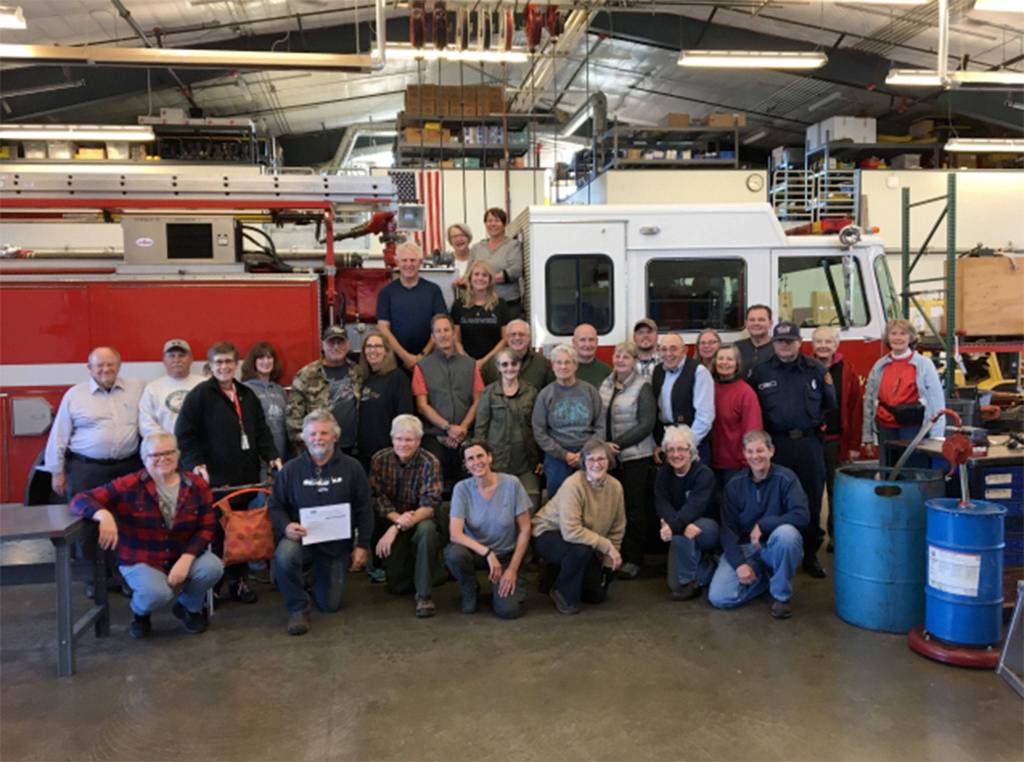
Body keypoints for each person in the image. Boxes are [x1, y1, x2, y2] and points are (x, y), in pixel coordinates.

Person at [70, 432, 224, 638]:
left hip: (182, 552)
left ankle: (189, 608)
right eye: (155, 455)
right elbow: (80, 499)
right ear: (144, 459)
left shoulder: (197, 485)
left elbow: (206, 527)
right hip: (140, 557)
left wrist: (186, 559)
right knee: (157, 594)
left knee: (213, 567)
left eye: (169, 452)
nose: (163, 458)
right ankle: (140, 614)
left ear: (178, 455)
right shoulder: (128, 484)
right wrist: (103, 514)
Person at [175, 341, 282, 604]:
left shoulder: (246, 394)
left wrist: (272, 456)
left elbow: (261, 430)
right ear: (210, 366)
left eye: (228, 362)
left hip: (244, 477)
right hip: (214, 481)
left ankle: (239, 582)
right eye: (218, 362)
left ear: (236, 364)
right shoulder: (199, 396)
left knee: (241, 532)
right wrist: (195, 462)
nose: (224, 367)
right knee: (216, 533)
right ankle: (212, 584)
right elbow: (184, 434)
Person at [43, 346, 144, 596]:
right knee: (88, 524)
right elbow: (59, 435)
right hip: (87, 469)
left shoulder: (137, 389)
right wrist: (57, 471)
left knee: (129, 521)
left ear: (119, 366)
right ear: (89, 368)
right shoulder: (75, 395)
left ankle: (124, 575)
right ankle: (93, 580)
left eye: (110, 364)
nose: (105, 369)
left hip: (127, 466)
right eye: (99, 365)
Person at [269, 411, 373, 636]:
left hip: (336, 547)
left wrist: (362, 545)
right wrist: (286, 526)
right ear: (304, 438)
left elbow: (365, 509)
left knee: (330, 606)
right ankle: (297, 608)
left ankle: (310, 578)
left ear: (335, 436)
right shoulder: (291, 470)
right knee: (284, 555)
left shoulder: (353, 468)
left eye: (324, 433)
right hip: (301, 540)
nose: (318, 438)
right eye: (313, 434)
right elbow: (275, 506)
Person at [749, 321, 835, 580]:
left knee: (811, 498)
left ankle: (810, 555)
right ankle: (776, 552)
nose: (785, 346)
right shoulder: (760, 373)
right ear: (773, 343)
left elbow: (830, 405)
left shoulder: (816, 370)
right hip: (776, 445)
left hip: (809, 444)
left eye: (790, 341)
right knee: (774, 499)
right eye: (780, 341)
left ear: (799, 342)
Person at [708, 430, 809, 619]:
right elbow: (728, 530)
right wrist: (740, 564)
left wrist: (764, 525)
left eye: (760, 450)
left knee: (787, 535)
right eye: (750, 451)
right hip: (745, 548)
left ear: (771, 451)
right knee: (719, 597)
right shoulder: (734, 485)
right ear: (744, 454)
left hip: (774, 546)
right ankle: (764, 578)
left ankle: (781, 597)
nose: (755, 456)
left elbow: (802, 516)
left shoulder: (786, 478)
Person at [532, 439, 625, 615]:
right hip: (549, 532)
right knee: (579, 550)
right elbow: (571, 531)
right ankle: (561, 591)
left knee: (596, 595)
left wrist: (608, 561)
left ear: (609, 461)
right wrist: (606, 546)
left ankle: (554, 573)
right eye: (591, 459)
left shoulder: (616, 487)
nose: (596, 464)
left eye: (601, 459)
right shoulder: (573, 484)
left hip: (585, 541)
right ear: (583, 462)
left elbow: (617, 528)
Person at [444, 441, 532, 618]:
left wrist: (512, 569)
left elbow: (525, 529)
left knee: (509, 611)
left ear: (490, 457)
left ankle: (501, 591)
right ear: (466, 465)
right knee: (454, 554)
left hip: (506, 554)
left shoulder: (512, 484)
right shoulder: (462, 489)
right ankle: (470, 588)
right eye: (470, 459)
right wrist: (488, 553)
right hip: (477, 553)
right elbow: (455, 534)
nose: (476, 462)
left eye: (480, 456)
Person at [370, 415, 444, 618]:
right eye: (399, 439)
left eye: (409, 439)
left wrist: (396, 528)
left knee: (427, 530)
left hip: (420, 519)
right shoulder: (379, 459)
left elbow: (430, 505)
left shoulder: (430, 461)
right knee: (397, 586)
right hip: (393, 517)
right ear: (392, 438)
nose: (403, 444)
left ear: (418, 441)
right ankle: (428, 571)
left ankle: (424, 596)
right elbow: (376, 498)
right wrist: (397, 520)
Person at [598, 341, 656, 580]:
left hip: (635, 457)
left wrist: (616, 445)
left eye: (627, 357)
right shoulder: (606, 383)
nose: (621, 360)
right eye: (618, 355)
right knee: (614, 508)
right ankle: (615, 555)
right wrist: (603, 446)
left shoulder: (643, 386)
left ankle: (634, 559)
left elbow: (646, 424)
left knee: (634, 508)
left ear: (635, 361)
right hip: (610, 458)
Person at [412, 314, 484, 493]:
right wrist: (447, 428)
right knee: (434, 489)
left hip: (465, 436)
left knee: (471, 489)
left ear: (454, 333)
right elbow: (422, 406)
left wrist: (462, 428)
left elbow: (478, 400)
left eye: (446, 330)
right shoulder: (421, 367)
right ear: (433, 337)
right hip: (435, 438)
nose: (443, 335)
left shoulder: (471, 365)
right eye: (438, 331)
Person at [862, 318, 946, 463]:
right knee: (889, 471)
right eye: (893, 333)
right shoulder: (880, 366)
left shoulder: (924, 364)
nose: (898, 338)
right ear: (887, 337)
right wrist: (867, 436)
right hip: (886, 430)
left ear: (911, 337)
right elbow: (869, 402)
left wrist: (936, 436)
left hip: (913, 430)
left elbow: (937, 402)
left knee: (913, 470)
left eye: (903, 333)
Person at [811, 327, 864, 552]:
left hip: (835, 441)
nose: (823, 346)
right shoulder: (805, 367)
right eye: (819, 341)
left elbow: (855, 408)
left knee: (837, 492)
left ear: (836, 344)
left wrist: (853, 444)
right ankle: (812, 539)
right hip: (810, 441)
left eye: (828, 341)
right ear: (812, 344)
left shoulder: (847, 370)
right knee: (811, 492)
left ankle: (836, 536)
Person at [654, 425, 718, 601]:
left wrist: (672, 526)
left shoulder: (703, 474)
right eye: (671, 450)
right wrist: (673, 524)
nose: (676, 454)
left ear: (691, 451)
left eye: (681, 449)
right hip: (681, 529)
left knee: (685, 530)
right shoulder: (664, 474)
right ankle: (707, 567)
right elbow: (662, 503)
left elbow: (694, 508)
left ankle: (690, 583)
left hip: (707, 527)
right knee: (674, 585)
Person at [475, 347, 542, 511]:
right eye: (504, 365)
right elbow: (480, 429)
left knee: (530, 506)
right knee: (499, 508)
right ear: (498, 367)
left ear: (519, 365)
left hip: (526, 462)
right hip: (497, 462)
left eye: (513, 364)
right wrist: (481, 459)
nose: (509, 368)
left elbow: (538, 427)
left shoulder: (531, 392)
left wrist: (540, 458)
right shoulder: (488, 393)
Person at [531, 344, 602, 498]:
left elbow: (600, 426)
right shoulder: (545, 394)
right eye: (558, 362)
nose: (563, 367)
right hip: (557, 456)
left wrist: (584, 453)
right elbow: (539, 431)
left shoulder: (590, 391)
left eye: (568, 362)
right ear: (552, 366)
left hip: (588, 454)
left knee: (591, 499)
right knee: (559, 501)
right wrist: (564, 455)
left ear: (576, 365)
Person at [287, 326, 360, 456]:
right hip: (318, 448)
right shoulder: (307, 374)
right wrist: (306, 444)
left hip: (352, 448)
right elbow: (293, 416)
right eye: (331, 342)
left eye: (340, 342)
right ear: (323, 345)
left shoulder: (358, 371)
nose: (336, 347)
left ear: (348, 345)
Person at [377, 242, 448, 371]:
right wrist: (405, 357)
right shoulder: (386, 292)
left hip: (430, 360)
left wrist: (423, 355)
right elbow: (383, 328)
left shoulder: (433, 290)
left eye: (413, 260)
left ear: (420, 262)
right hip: (395, 362)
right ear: (397, 262)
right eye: (404, 260)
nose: (408, 264)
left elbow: (441, 326)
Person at [355, 330, 414, 471]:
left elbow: (405, 417)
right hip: (363, 452)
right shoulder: (363, 377)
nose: (372, 350)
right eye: (369, 346)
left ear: (387, 351)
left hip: (388, 453)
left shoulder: (398, 378)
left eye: (378, 346)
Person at [652, 333, 715, 463]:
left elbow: (705, 417)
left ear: (684, 350)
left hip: (694, 445)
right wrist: (662, 444)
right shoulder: (658, 371)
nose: (668, 354)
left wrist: (686, 446)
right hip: (667, 443)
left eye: (673, 348)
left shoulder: (699, 372)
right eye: (663, 349)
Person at [710, 344, 763, 488]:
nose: (724, 362)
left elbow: (753, 432)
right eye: (721, 358)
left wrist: (748, 463)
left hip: (735, 466)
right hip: (709, 462)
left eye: (729, 359)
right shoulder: (708, 387)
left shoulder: (745, 393)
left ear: (737, 364)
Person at [139, 339, 204, 438]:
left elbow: (213, 418)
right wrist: (166, 442)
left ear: (191, 359)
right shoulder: (152, 388)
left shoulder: (204, 385)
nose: (177, 360)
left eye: (181, 355)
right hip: (165, 446)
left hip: (198, 445)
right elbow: (146, 424)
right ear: (164, 360)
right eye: (171, 356)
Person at [466, 207, 524, 318]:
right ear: (485, 224)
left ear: (504, 224)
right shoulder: (476, 248)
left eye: (497, 221)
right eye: (489, 221)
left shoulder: (513, 245)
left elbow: (515, 271)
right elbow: (468, 273)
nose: (493, 224)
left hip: (508, 304)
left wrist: (485, 279)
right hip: (481, 304)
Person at [451, 260, 509, 365]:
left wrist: (484, 361)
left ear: (490, 279)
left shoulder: (500, 304)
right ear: (470, 278)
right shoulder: (459, 304)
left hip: (494, 362)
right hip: (465, 363)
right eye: (476, 274)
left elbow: (505, 339)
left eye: (484, 275)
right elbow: (456, 339)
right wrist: (468, 361)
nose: (480, 278)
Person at [241, 341, 290, 463]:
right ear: (253, 362)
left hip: (282, 456)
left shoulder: (280, 391)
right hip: (258, 459)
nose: (266, 361)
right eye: (261, 358)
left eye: (269, 357)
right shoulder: (245, 390)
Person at [480, 319, 553, 389]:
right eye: (513, 334)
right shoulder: (492, 363)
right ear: (507, 338)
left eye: (521, 334)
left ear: (529, 337)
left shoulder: (541, 362)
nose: (517, 338)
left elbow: (551, 390)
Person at [735, 304, 774, 376]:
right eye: (752, 320)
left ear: (770, 323)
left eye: (761, 320)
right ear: (746, 323)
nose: (756, 323)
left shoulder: (780, 348)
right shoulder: (736, 348)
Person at [572, 323, 612, 388]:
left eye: (591, 340)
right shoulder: (564, 369)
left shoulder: (607, 372)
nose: (587, 344)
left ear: (597, 342)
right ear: (574, 342)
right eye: (582, 340)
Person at [446, 222, 473, 308]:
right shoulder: (444, 261)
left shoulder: (478, 259)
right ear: (450, 241)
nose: (459, 239)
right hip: (450, 306)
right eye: (454, 236)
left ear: (468, 237)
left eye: (462, 235)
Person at [633, 318, 660, 383]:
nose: (645, 336)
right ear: (634, 338)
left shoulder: (666, 361)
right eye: (640, 332)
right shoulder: (626, 362)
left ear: (657, 336)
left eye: (649, 332)